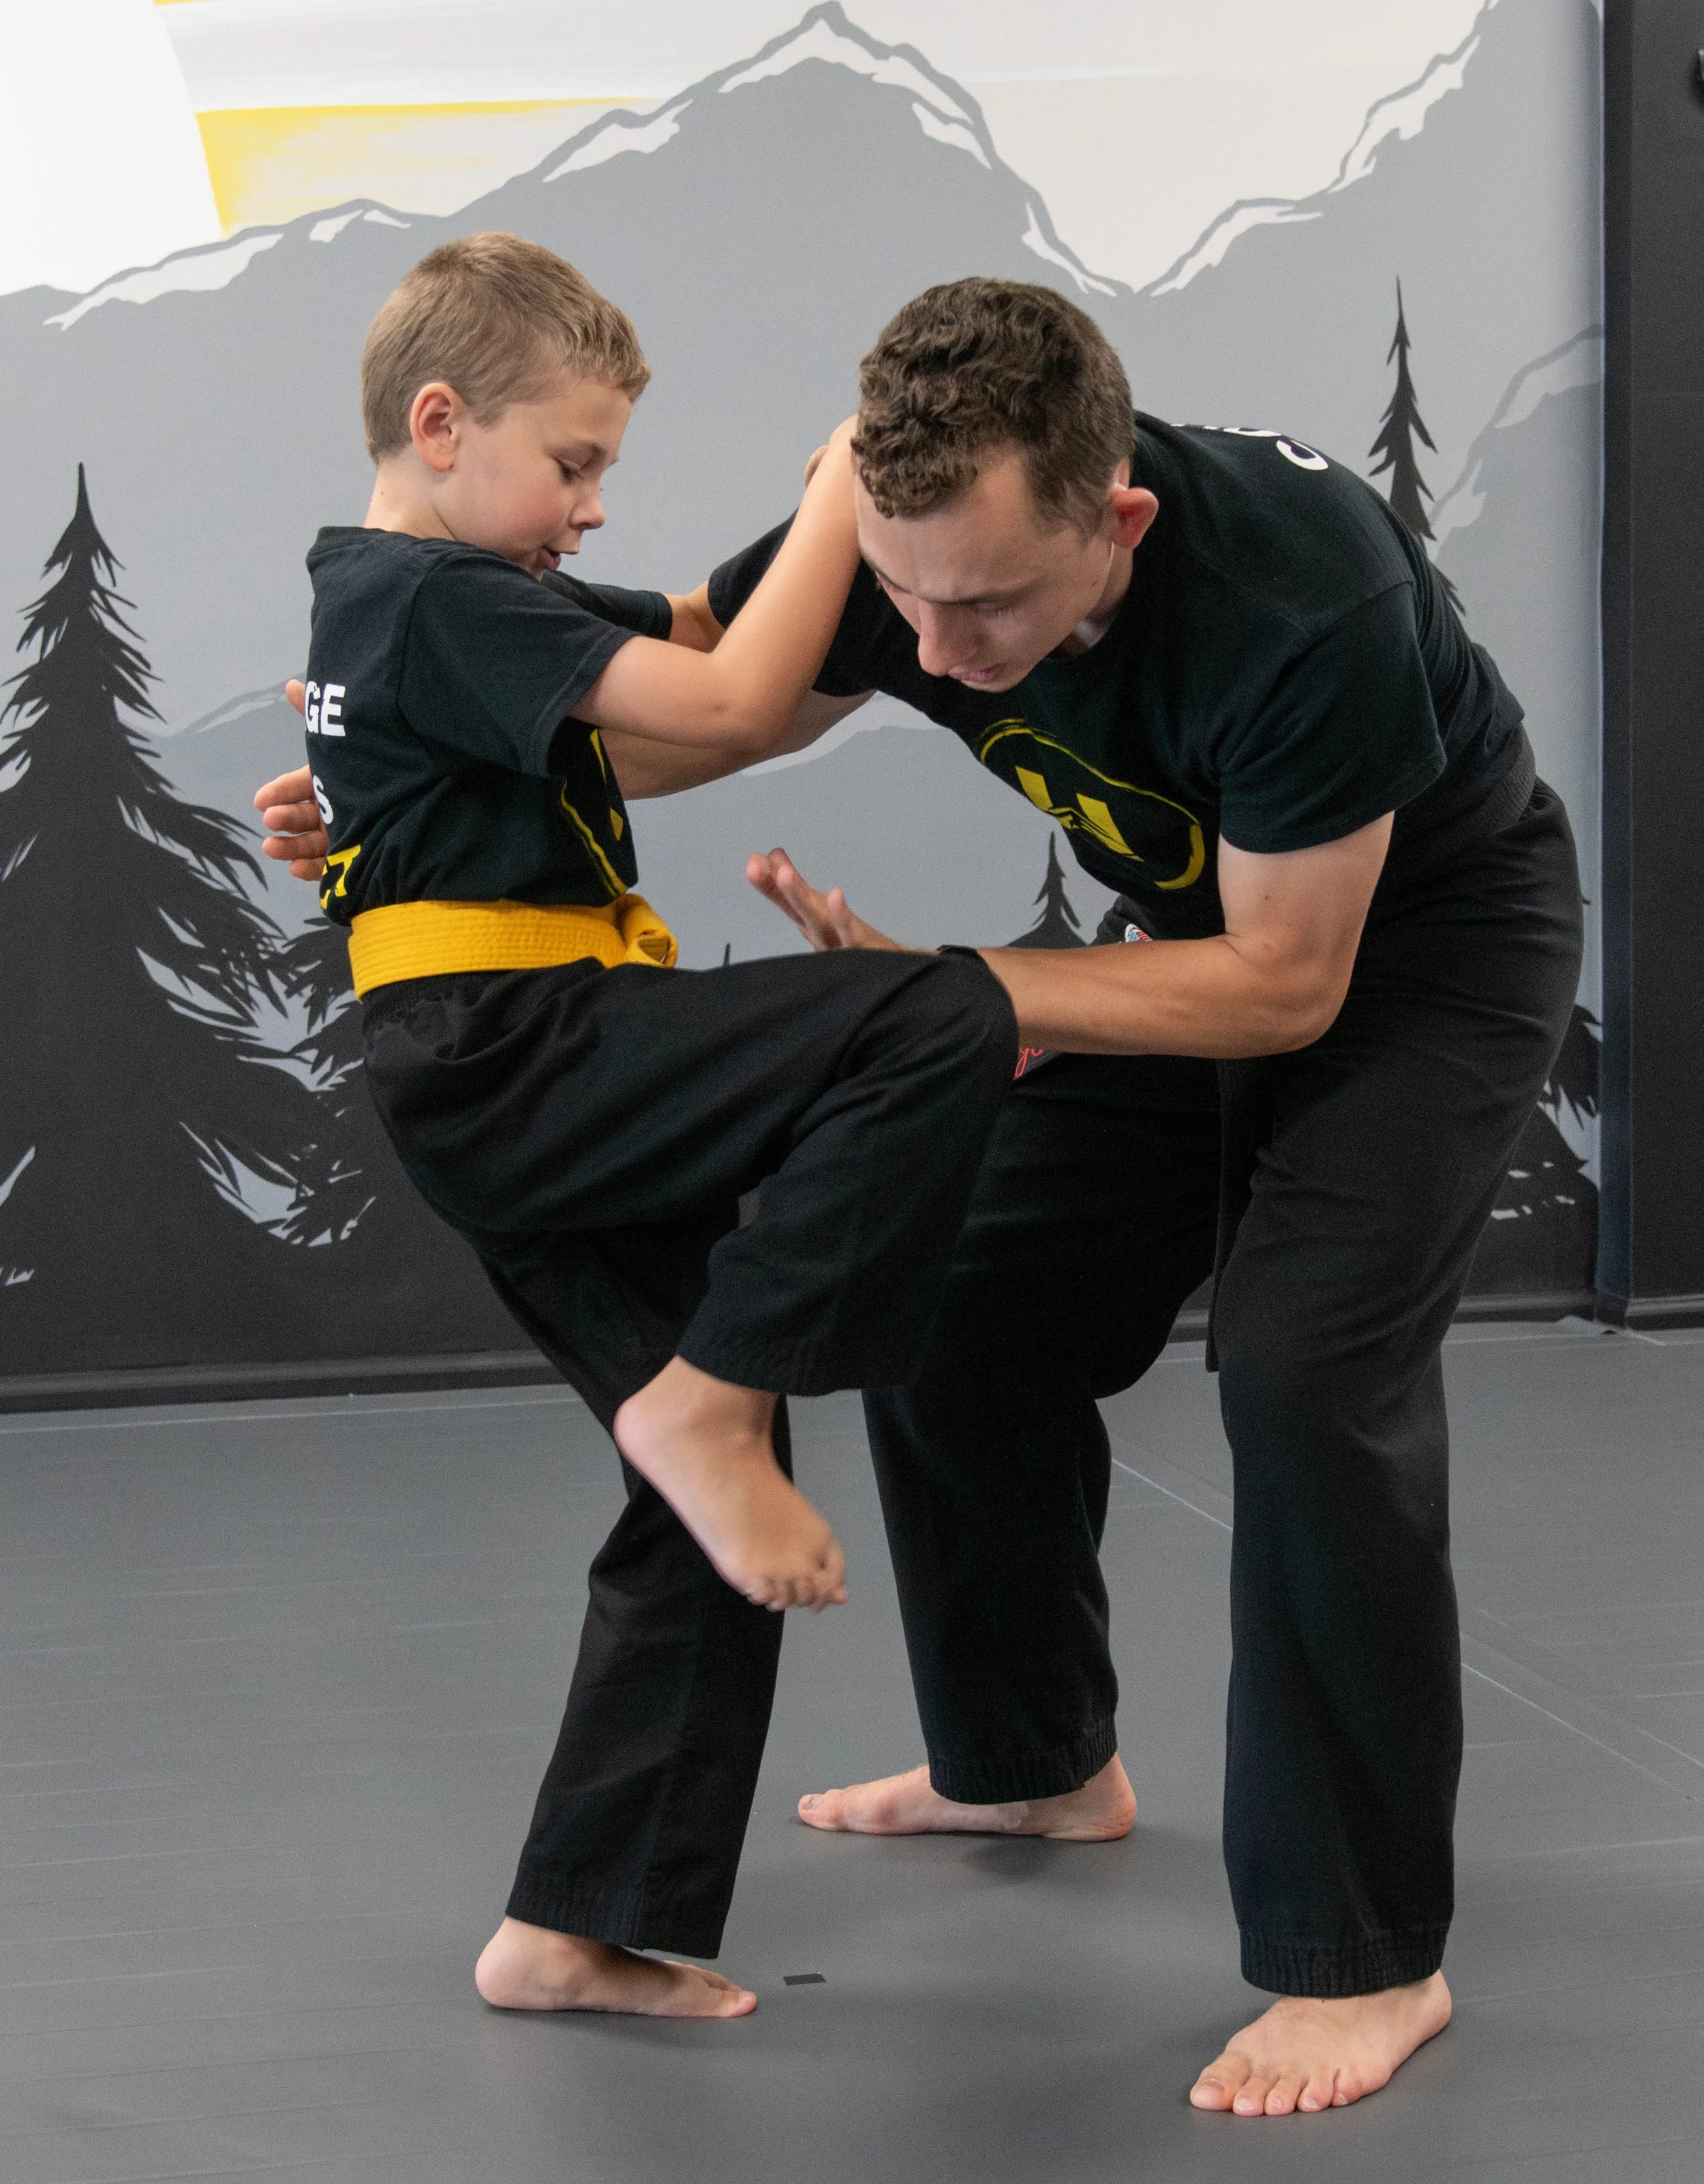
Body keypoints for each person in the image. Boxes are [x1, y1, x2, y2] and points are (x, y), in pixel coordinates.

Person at [260, 277, 1581, 2116]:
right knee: (955, 1275)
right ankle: (1030, 1761)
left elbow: (1287, 988)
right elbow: (689, 705)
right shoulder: (910, 537)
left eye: (987, 609)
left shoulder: (1298, 587)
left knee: (1302, 1367)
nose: (936, 652)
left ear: (1116, 522)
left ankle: (1364, 1958)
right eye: (906, 598)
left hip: (1418, 954)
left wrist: (950, 995)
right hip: (1184, 940)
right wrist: (406, 788)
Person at [289, 232, 1019, 2020]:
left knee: (697, 1495)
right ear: (441, 425)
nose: (594, 504)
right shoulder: (438, 600)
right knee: (939, 1010)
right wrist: (848, 480)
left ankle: (573, 1926)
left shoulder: (414, 600)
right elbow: (740, 703)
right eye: (575, 463)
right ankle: (714, 1394)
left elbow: (696, 633)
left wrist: (837, 529)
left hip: (487, 1075)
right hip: (529, 1051)